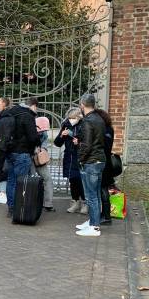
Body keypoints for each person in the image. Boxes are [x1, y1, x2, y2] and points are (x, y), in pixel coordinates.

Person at [75, 93, 106, 238]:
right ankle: (93, 222)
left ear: (82, 105)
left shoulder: (88, 121)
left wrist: (80, 159)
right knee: (96, 195)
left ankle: (94, 227)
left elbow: (86, 144)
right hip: (99, 159)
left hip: (91, 161)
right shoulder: (99, 119)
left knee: (91, 196)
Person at [5, 97, 40, 214]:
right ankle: (19, 208)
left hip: (9, 151)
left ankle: (11, 207)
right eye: (36, 107)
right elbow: (33, 136)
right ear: (33, 105)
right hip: (22, 152)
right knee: (21, 182)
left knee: (11, 181)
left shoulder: (11, 112)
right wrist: (37, 143)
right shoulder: (27, 115)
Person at [54, 108, 87, 214]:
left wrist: (79, 142)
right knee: (72, 180)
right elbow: (57, 143)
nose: (71, 120)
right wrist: (62, 135)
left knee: (81, 180)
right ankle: (75, 202)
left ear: (78, 117)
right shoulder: (66, 124)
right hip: (69, 156)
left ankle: (85, 203)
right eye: (70, 118)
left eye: (73, 118)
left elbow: (88, 141)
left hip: (80, 156)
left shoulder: (84, 125)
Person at [96, 108, 115, 225]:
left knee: (103, 189)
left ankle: (107, 216)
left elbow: (107, 147)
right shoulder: (106, 129)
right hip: (104, 162)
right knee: (102, 189)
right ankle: (104, 214)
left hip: (105, 163)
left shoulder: (107, 130)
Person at [34, 116, 55, 212]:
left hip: (39, 158)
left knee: (48, 178)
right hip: (30, 157)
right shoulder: (30, 129)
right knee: (31, 179)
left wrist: (43, 149)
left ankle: (48, 204)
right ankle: (31, 201)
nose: (42, 132)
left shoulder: (43, 132)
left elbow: (45, 141)